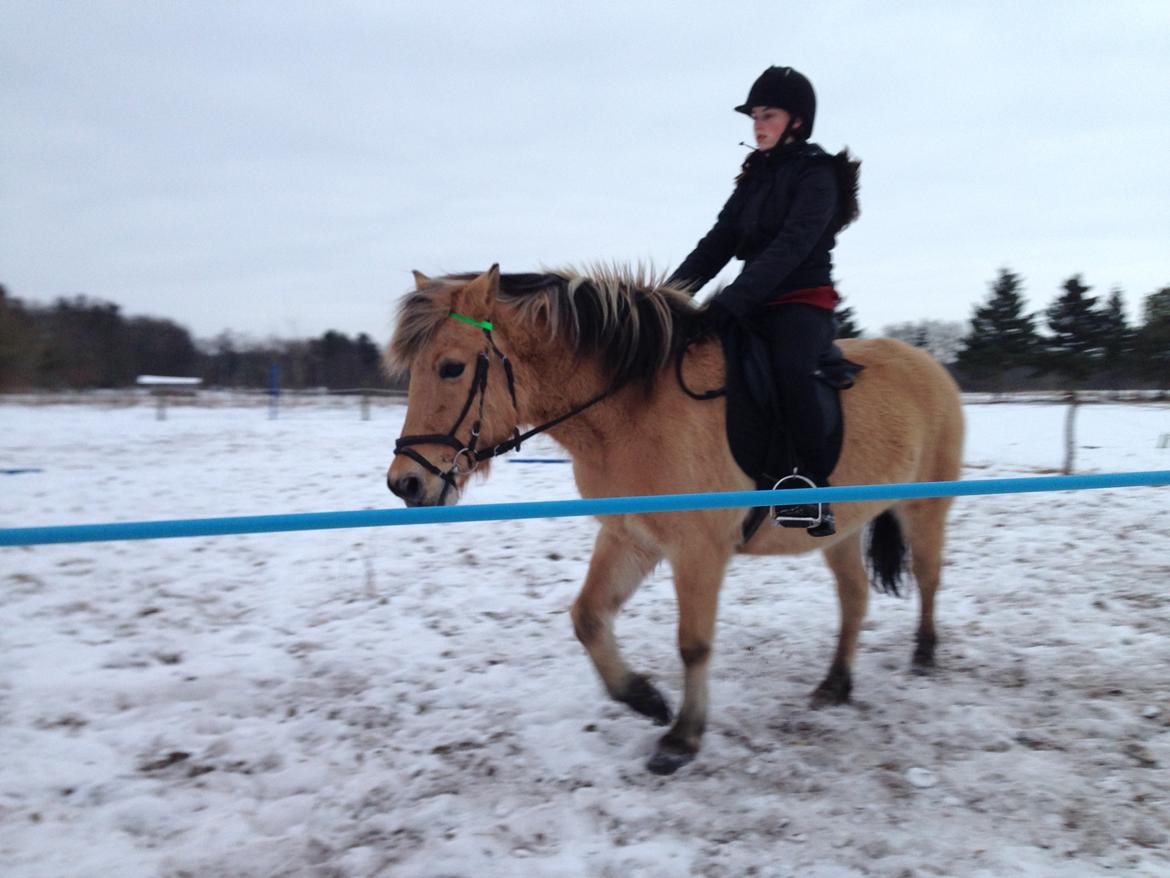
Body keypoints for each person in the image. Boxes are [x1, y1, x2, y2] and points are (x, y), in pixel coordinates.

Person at [668, 65, 860, 537]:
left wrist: (735, 297)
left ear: (796, 121)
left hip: (801, 301)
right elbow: (716, 243)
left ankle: (811, 490)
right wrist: (666, 300)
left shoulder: (819, 176)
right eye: (754, 116)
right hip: (751, 302)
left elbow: (792, 246)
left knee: (791, 370)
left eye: (767, 115)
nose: (757, 125)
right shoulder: (754, 177)